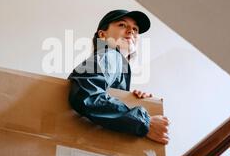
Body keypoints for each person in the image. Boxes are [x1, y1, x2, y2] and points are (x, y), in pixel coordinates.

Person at [67, 9, 170, 144]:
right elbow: (86, 95)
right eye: (122, 25)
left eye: (135, 29)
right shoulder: (110, 55)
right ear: (102, 35)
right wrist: (144, 121)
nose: (131, 31)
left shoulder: (119, 67)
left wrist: (132, 99)